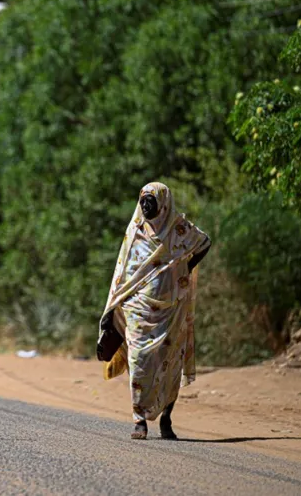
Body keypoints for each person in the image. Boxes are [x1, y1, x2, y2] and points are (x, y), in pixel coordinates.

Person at [98, 182, 211, 440]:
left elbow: (204, 243)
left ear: (164, 203)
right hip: (137, 308)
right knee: (139, 360)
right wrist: (111, 309)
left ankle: (166, 418)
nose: (145, 206)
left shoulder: (179, 228)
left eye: (151, 201)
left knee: (170, 363)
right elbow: (121, 272)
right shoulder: (135, 230)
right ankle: (139, 419)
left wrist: (184, 267)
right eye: (143, 201)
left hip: (172, 310)